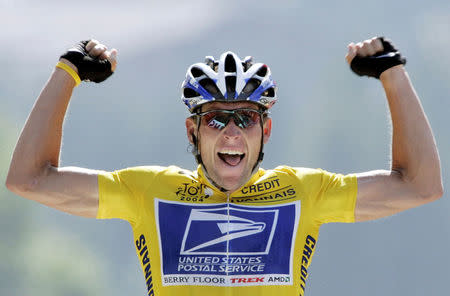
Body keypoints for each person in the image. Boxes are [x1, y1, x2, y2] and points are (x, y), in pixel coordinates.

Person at [5, 37, 443, 296]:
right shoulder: (149, 191)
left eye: (246, 118)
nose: (231, 132)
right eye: (215, 118)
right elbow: (29, 178)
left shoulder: (304, 192)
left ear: (265, 132)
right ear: (192, 133)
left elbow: (420, 185)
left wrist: (392, 73)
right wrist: (68, 72)